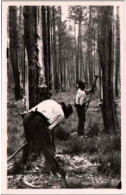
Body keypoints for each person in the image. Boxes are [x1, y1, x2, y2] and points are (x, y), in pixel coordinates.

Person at [20, 99, 73, 179]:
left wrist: (36, 133)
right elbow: (49, 128)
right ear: (65, 112)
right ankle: (56, 171)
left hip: (26, 117)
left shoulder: (51, 102)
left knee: (28, 142)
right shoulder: (61, 114)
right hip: (37, 120)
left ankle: (22, 164)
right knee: (47, 146)